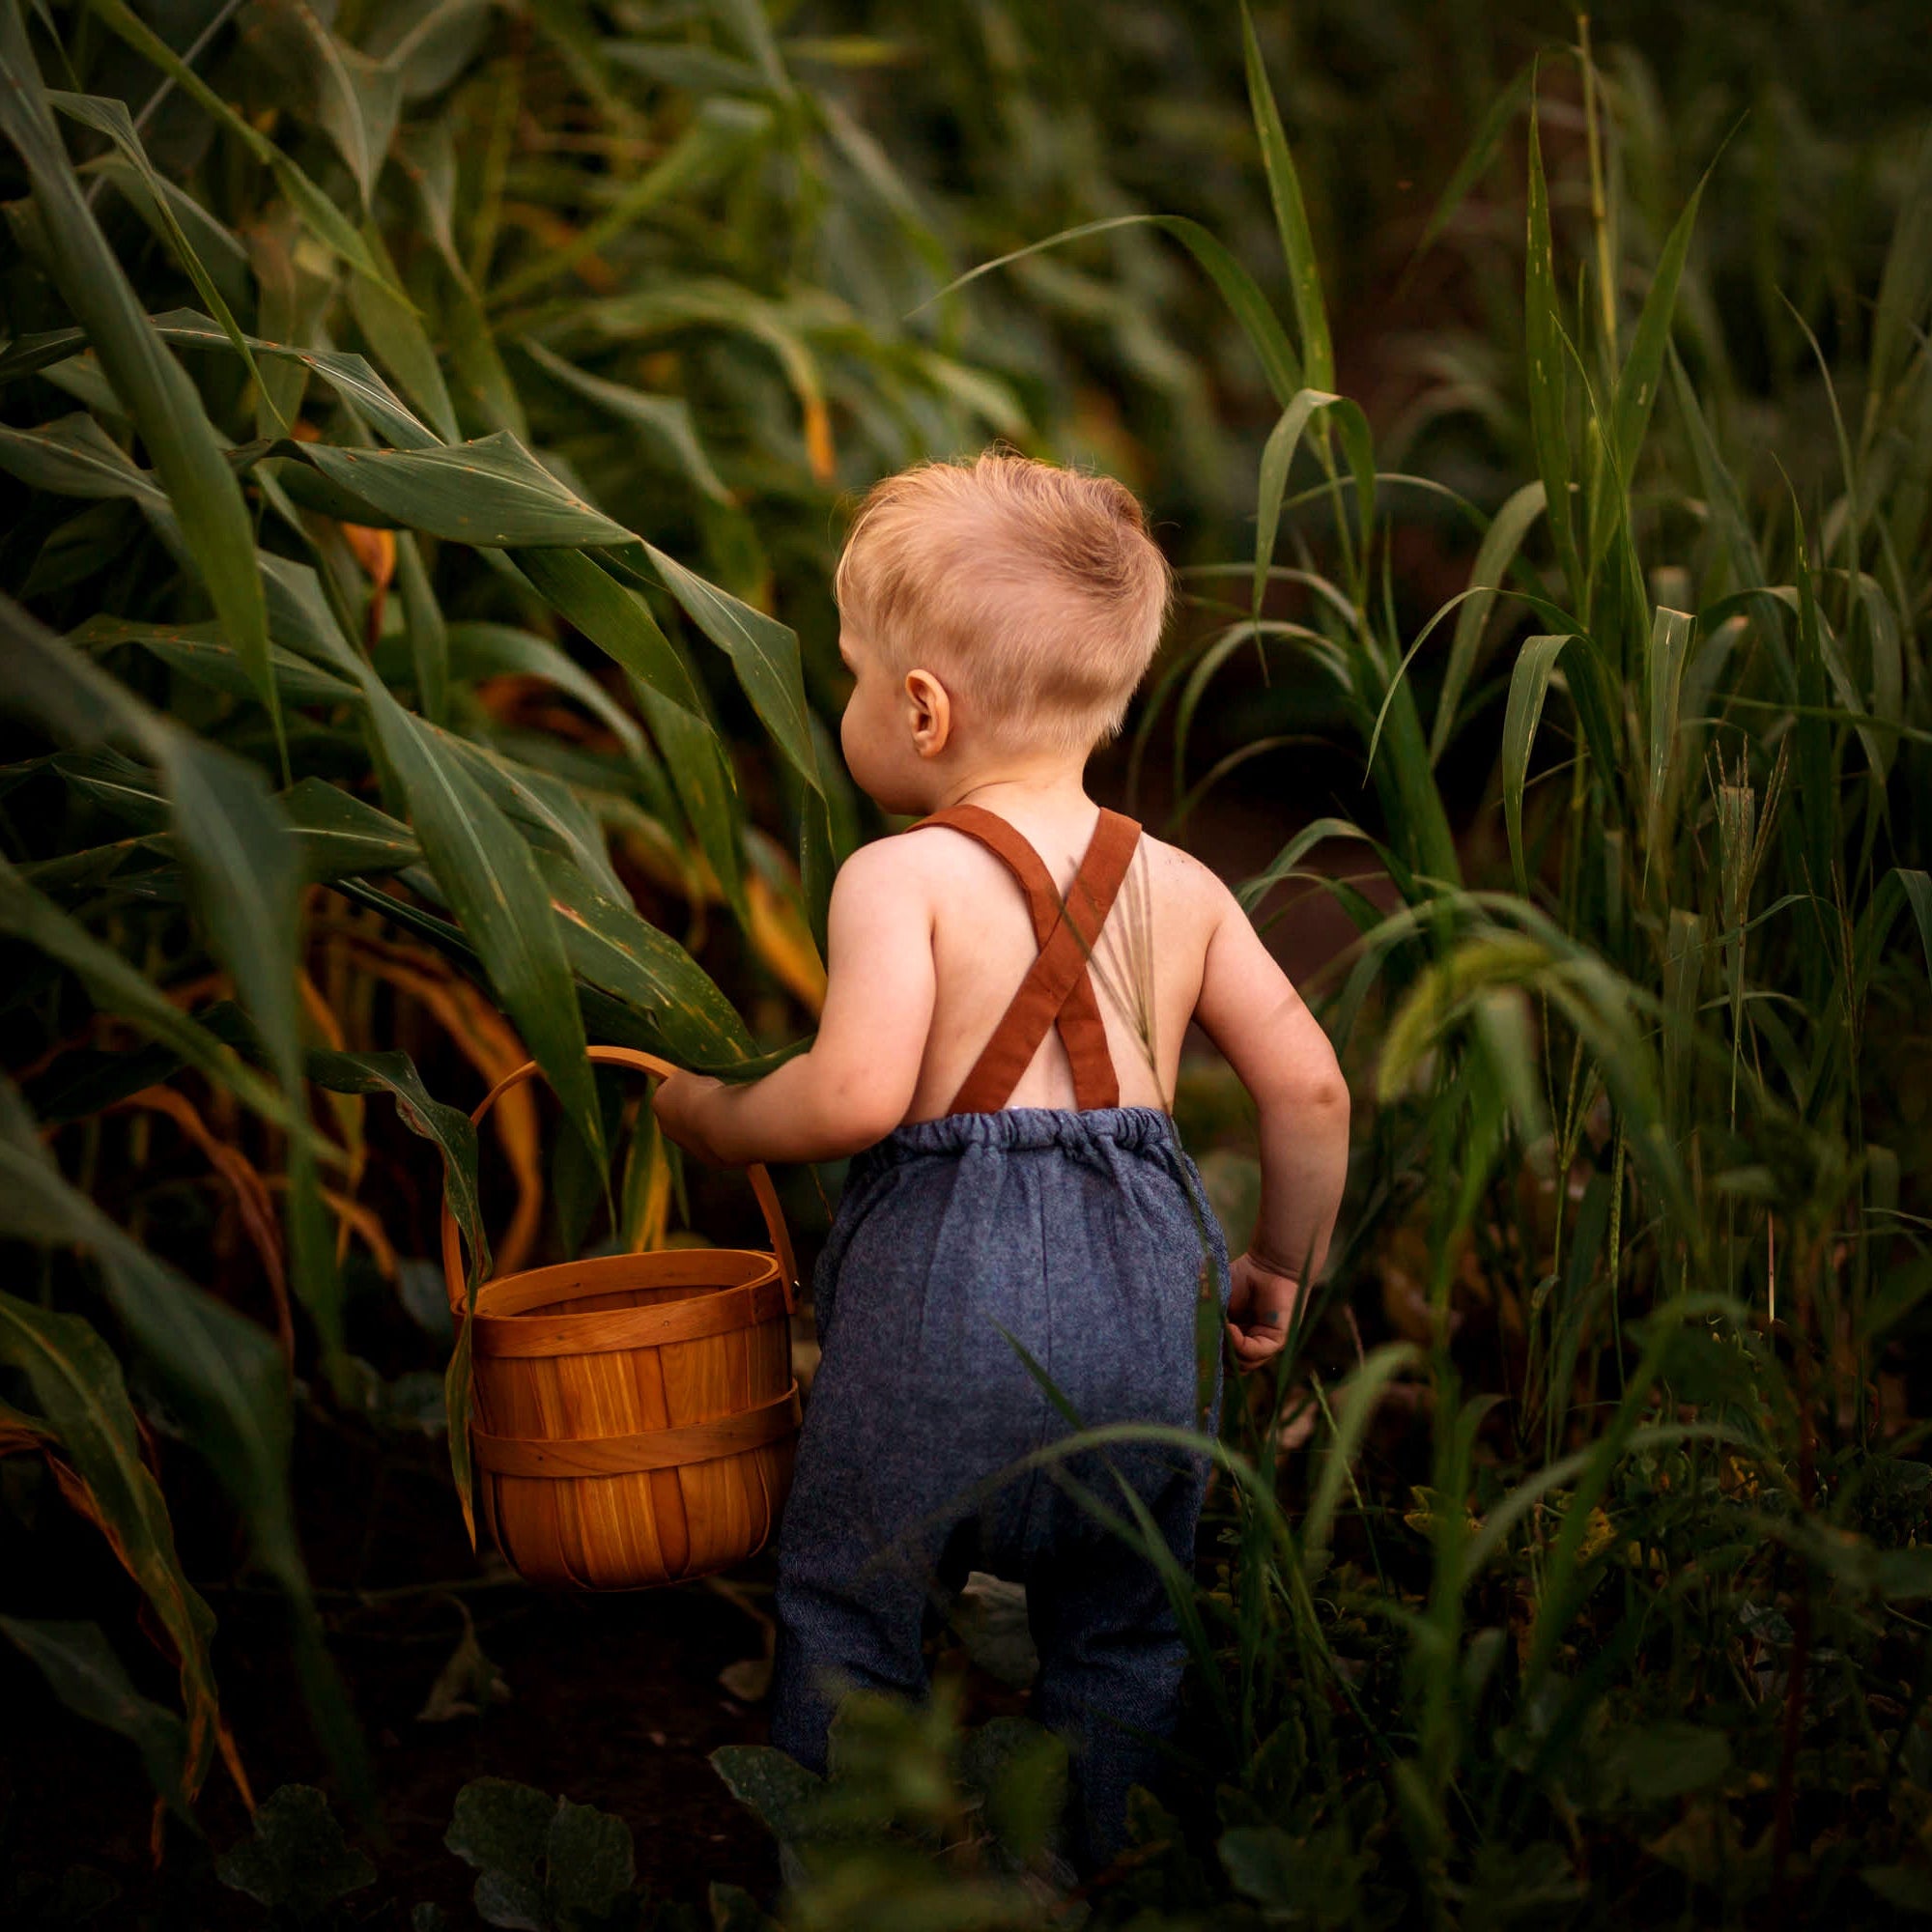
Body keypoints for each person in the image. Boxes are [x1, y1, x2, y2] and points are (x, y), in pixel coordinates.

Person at [652, 449, 1350, 1877]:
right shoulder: (1182, 883)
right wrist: (1280, 1260)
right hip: (1152, 1326)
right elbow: (1312, 1085)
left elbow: (854, 1096)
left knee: (856, 1603)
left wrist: (715, 1116)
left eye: (849, 673)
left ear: (920, 706)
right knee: (1119, 1622)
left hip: (942, 1322)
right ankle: (1079, 1869)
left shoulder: (899, 877)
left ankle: (855, 1883)